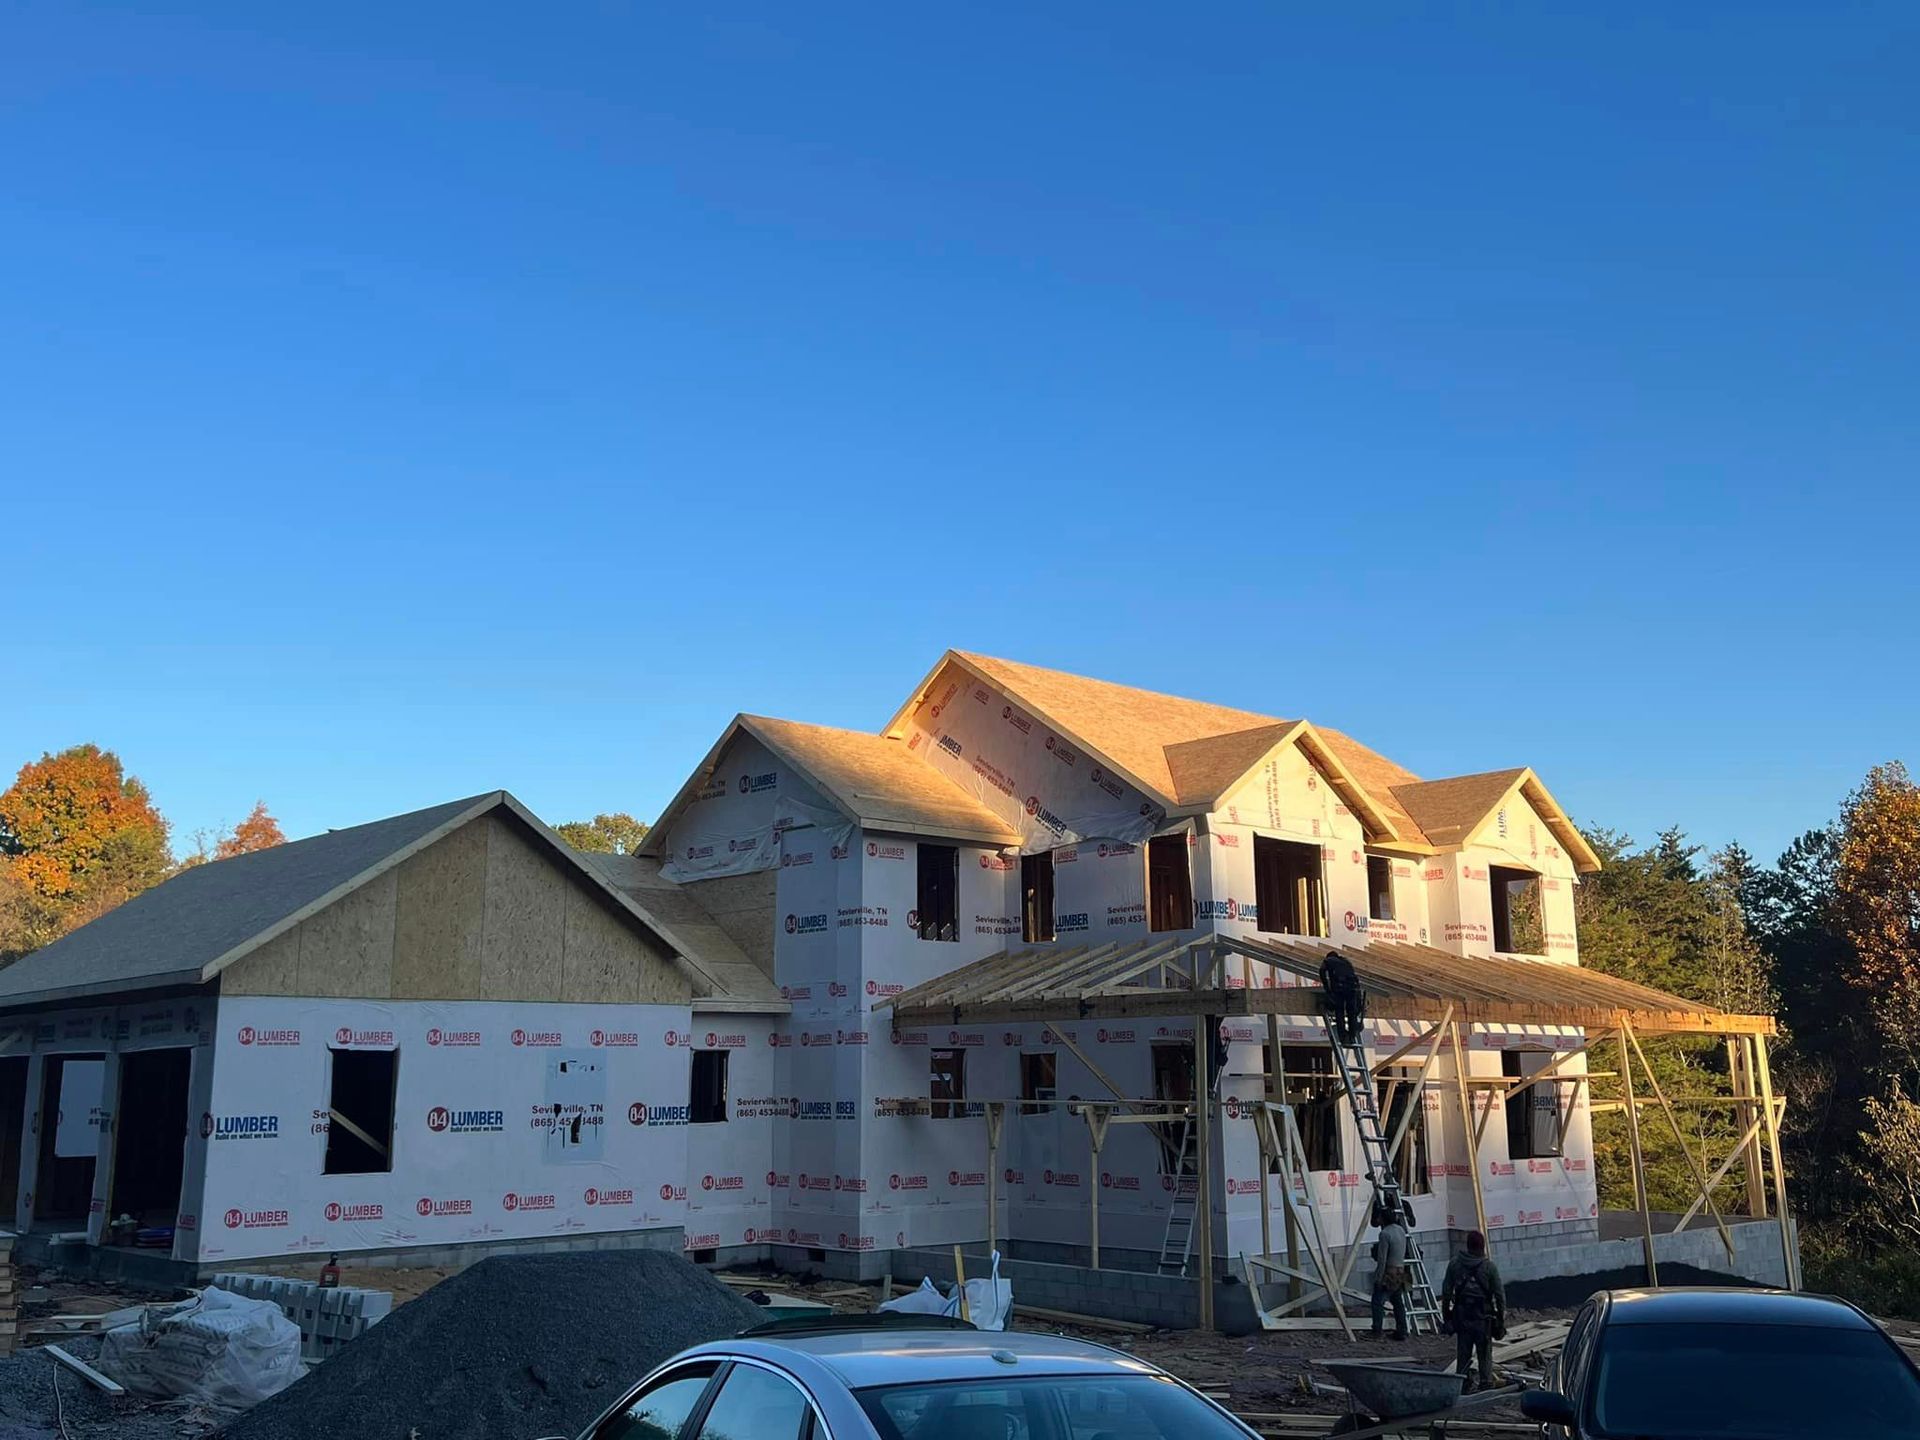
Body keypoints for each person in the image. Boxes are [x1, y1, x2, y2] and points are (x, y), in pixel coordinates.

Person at [1441, 1230, 1506, 1391]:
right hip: (1483, 1318)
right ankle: (1485, 1383)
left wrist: (1447, 1316)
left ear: (1468, 1246)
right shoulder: (1489, 1267)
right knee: (1484, 1353)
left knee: (1463, 1353)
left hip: (1462, 1317)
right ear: (1482, 1247)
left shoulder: (1455, 1264)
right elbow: (1499, 1295)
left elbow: (1446, 1292)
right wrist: (1500, 1319)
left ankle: (1463, 1383)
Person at [1368, 1196, 1411, 1340]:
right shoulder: (1400, 1230)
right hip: (1401, 1271)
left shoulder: (1384, 1234)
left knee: (1377, 1301)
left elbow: (1382, 1259)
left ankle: (1377, 1330)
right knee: (1398, 1302)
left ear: (1383, 1219)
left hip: (1389, 1273)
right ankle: (1402, 1330)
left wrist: (1378, 1278)